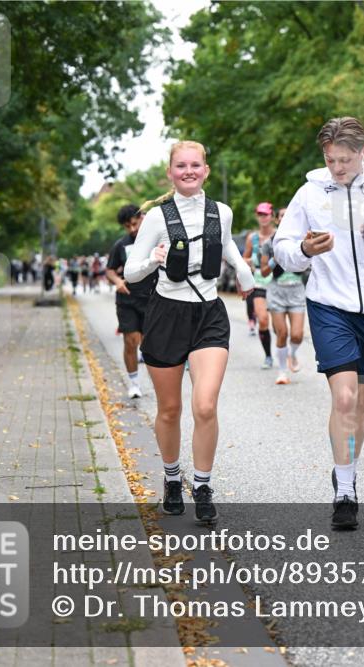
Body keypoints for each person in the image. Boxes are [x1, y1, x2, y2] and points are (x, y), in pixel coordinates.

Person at [124, 140, 254, 523]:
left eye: (195, 165)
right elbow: (132, 272)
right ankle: (170, 479)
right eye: (181, 166)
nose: (188, 171)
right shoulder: (156, 218)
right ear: (170, 172)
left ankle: (202, 485)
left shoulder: (222, 212)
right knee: (169, 409)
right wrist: (153, 258)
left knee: (205, 405)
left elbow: (226, 244)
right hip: (166, 315)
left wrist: (244, 271)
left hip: (209, 315)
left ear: (206, 170)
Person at [273, 116, 364, 531]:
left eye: (344, 159)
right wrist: (304, 248)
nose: (337, 168)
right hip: (328, 306)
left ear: (363, 153)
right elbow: (283, 247)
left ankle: (348, 468)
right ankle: (345, 491)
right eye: (330, 159)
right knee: (343, 399)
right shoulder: (309, 193)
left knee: (361, 403)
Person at [107, 204, 155, 399]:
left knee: (151, 345)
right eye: (128, 226)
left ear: (142, 218)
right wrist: (117, 281)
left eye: (135, 224)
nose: (132, 229)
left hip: (152, 299)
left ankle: (158, 383)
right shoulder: (120, 245)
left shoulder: (155, 240)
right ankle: (134, 384)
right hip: (127, 299)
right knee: (130, 340)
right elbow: (110, 270)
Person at [259, 235, 306, 385]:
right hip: (277, 291)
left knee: (297, 335)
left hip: (297, 291)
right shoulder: (269, 243)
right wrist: (276, 259)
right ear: (277, 220)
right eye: (281, 216)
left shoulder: (301, 240)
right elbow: (264, 272)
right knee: (282, 333)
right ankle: (282, 371)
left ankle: (291, 354)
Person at [243, 202, 277, 368]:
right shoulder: (252, 238)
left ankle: (284, 349)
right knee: (263, 320)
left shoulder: (279, 235)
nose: (263, 217)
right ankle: (268, 356)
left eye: (266, 214)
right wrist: (249, 262)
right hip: (259, 284)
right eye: (260, 214)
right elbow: (244, 259)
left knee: (279, 328)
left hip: (279, 283)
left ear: (272, 216)